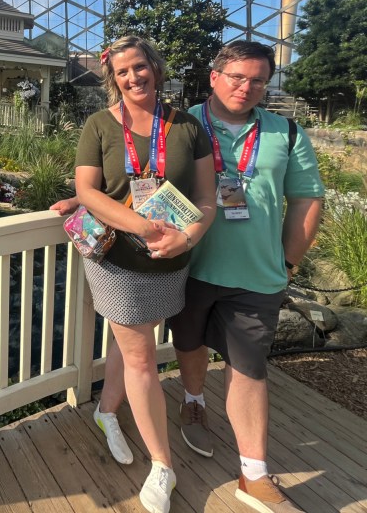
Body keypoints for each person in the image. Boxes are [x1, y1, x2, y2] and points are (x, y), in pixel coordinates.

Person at [168, 41, 324, 513]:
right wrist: (85, 198)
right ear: (214, 76)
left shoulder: (287, 132)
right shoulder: (180, 125)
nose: (247, 87)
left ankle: (253, 473)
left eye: (258, 79)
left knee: (249, 368)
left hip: (257, 276)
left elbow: (307, 199)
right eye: (237, 76)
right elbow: (139, 174)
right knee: (189, 343)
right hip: (190, 267)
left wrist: (287, 264)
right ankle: (193, 400)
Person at [71, 36, 216, 513]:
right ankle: (163, 465)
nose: (132, 77)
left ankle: (106, 410)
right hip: (115, 258)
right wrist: (140, 223)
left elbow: (208, 199)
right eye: (122, 71)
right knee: (141, 357)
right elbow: (88, 191)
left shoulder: (187, 127)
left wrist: (186, 237)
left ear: (155, 66)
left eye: (139, 67)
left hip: (168, 257)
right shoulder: (99, 125)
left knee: (129, 342)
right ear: (112, 78)